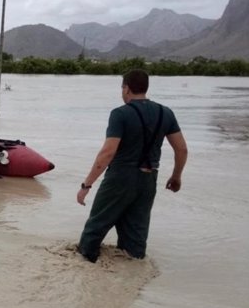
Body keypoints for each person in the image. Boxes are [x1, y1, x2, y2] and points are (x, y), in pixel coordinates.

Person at [76, 69, 188, 263]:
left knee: (96, 227)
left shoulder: (120, 114)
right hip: (148, 179)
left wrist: (86, 185)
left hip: (120, 178)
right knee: (136, 236)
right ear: (146, 88)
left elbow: (108, 153)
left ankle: (84, 265)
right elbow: (182, 149)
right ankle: (130, 273)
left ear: (126, 88)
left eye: (122, 88)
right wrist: (176, 176)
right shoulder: (165, 113)